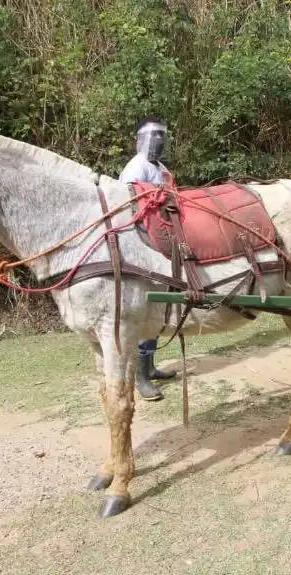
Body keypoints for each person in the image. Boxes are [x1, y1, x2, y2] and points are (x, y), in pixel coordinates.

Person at [119, 117, 177, 402]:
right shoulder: (135, 168)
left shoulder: (161, 168)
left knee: (157, 309)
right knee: (145, 308)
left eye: (162, 136)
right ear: (140, 139)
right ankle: (140, 376)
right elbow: (128, 207)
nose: (158, 141)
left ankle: (150, 367)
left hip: (161, 242)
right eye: (153, 136)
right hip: (141, 243)